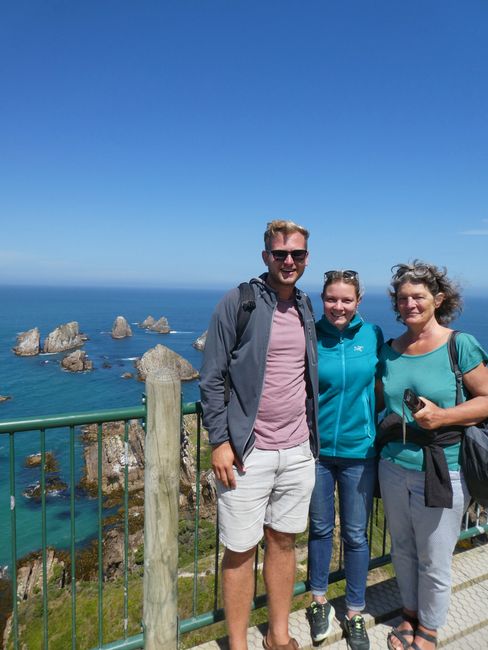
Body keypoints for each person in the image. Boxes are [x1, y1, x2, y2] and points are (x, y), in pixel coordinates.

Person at [200, 220, 319, 650]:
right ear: (265, 255)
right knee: (240, 551)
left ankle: (279, 635)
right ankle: (237, 643)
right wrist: (219, 442)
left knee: (284, 543)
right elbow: (211, 377)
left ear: (307, 258)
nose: (289, 261)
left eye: (298, 254)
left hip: (298, 448)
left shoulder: (306, 306)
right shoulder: (239, 301)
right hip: (247, 453)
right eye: (281, 253)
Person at [377, 261, 488, 650]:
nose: (410, 304)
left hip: (443, 467)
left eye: (418, 297)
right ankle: (409, 614)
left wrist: (443, 416)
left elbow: (487, 400)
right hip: (392, 465)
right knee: (403, 549)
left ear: (438, 300)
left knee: (435, 557)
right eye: (403, 298)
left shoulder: (460, 344)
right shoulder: (391, 350)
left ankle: (430, 629)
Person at [306, 270, 383, 650]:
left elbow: (385, 384)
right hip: (317, 452)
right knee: (320, 529)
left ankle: (354, 611)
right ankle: (318, 601)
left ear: (358, 302)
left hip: (359, 452)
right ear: (322, 299)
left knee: (355, 534)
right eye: (331, 299)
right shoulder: (311, 335)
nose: (338, 306)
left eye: (346, 300)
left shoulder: (372, 336)